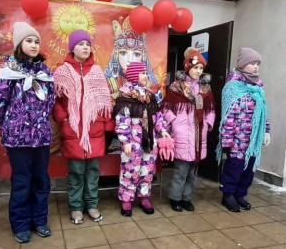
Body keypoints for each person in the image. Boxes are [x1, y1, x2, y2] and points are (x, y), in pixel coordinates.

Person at [0, 22, 55, 243]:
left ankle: (39, 220)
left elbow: (50, 102)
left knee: (41, 180)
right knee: (22, 181)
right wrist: (10, 125)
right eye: (29, 40)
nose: (34, 44)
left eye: (36, 41)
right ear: (19, 43)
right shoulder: (8, 71)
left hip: (42, 137)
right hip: (17, 139)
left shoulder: (45, 72)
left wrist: (41, 123)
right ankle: (20, 224)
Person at [53, 30, 112, 224]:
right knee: (76, 173)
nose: (85, 47)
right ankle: (76, 207)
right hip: (73, 131)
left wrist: (105, 127)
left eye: (88, 44)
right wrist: (63, 119)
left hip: (94, 132)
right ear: (72, 47)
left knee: (93, 172)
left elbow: (104, 103)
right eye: (81, 44)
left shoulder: (96, 71)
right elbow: (57, 102)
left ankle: (92, 204)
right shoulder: (61, 71)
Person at [216, 48, 270, 212]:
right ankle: (228, 195)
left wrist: (266, 130)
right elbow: (227, 116)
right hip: (237, 139)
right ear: (242, 64)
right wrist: (227, 140)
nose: (256, 67)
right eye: (252, 63)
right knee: (235, 167)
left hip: (253, 138)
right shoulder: (232, 87)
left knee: (249, 168)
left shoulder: (258, 87)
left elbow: (263, 111)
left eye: (258, 64)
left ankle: (240, 194)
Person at [162, 48, 215, 212]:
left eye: (201, 68)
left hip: (199, 136)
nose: (198, 71)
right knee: (180, 171)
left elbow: (211, 109)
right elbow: (165, 108)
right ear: (187, 67)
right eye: (195, 67)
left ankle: (187, 198)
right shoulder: (176, 87)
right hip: (182, 134)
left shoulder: (205, 89)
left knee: (193, 173)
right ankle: (175, 198)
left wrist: (207, 124)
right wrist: (175, 122)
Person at [114, 62, 170, 216]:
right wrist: (124, 140)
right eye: (143, 72)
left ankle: (144, 196)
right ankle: (126, 199)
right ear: (133, 75)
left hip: (150, 141)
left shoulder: (150, 95)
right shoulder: (125, 95)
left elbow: (157, 116)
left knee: (147, 169)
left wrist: (162, 130)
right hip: (132, 143)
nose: (146, 75)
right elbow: (122, 120)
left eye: (146, 72)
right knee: (129, 170)